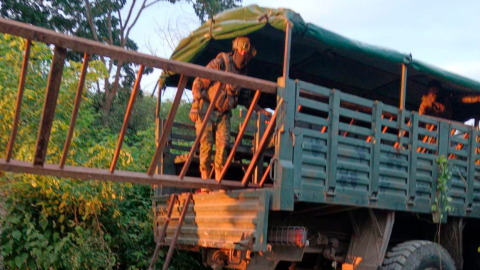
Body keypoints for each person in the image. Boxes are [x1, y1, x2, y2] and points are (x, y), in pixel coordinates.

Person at [189, 37, 268, 180]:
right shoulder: (220, 63)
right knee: (206, 144)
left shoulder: (242, 73)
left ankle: (219, 180)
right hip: (206, 107)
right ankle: (205, 181)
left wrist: (260, 111)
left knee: (224, 144)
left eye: (249, 55)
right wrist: (195, 105)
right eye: (245, 53)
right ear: (239, 51)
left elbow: (246, 98)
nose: (247, 58)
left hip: (223, 113)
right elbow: (198, 81)